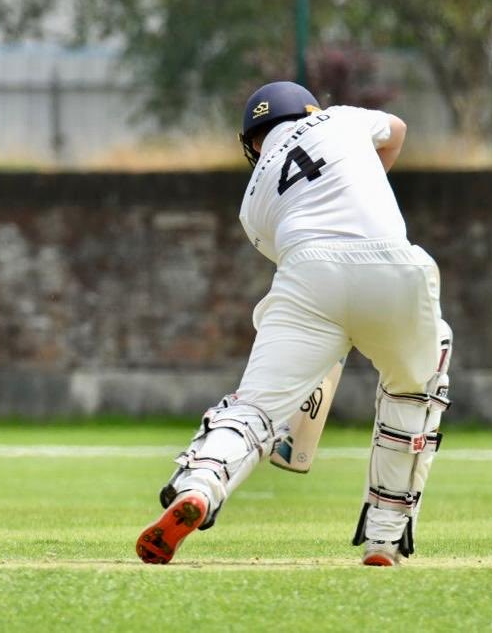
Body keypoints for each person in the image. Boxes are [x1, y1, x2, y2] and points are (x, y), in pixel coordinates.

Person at [136, 81, 452, 567]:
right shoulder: (342, 119)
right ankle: (385, 538)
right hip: (392, 265)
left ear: (254, 141)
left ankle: (199, 485)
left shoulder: (251, 204)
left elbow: (307, 263)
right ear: (308, 111)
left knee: (254, 407)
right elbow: (397, 131)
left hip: (307, 274)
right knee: (416, 388)